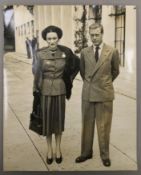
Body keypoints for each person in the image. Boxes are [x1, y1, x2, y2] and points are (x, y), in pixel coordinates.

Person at [33, 25, 79, 165]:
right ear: (46, 40)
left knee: (58, 121)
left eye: (54, 38)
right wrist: (36, 91)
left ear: (58, 38)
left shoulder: (65, 52)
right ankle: (49, 150)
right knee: (47, 122)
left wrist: (68, 80)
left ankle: (58, 149)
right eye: (49, 39)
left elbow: (76, 65)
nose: (52, 41)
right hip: (45, 90)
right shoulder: (39, 54)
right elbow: (35, 73)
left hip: (60, 90)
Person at [75, 23, 120, 166]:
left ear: (102, 34)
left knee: (104, 126)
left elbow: (115, 71)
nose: (94, 38)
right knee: (87, 125)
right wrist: (91, 84)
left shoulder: (112, 51)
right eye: (92, 35)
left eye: (97, 35)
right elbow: (83, 72)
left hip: (104, 94)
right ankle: (86, 153)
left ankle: (105, 155)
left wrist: (104, 83)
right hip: (88, 94)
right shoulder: (84, 52)